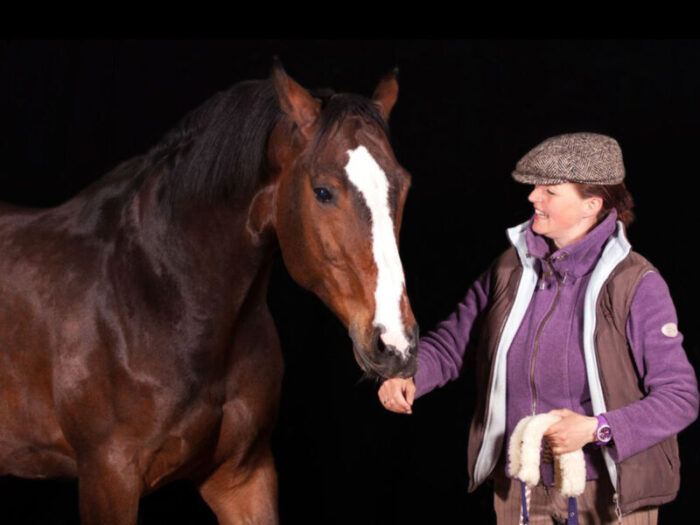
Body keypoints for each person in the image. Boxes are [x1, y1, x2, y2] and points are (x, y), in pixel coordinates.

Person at [379, 132, 699, 524]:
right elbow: (454, 343)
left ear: (592, 204)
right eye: (534, 188)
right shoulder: (509, 269)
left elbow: (680, 397)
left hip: (607, 492)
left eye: (549, 190)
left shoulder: (636, 283)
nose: (533, 198)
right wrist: (410, 374)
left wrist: (596, 430)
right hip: (521, 487)